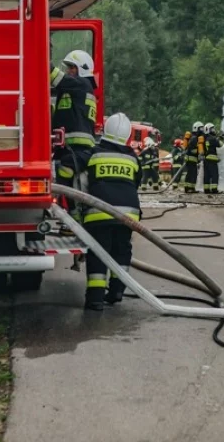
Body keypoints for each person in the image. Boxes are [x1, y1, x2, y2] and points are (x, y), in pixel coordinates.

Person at [82, 113, 141, 311]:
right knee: (121, 251)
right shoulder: (132, 158)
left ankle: (95, 299)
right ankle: (116, 292)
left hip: (98, 213)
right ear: (127, 135)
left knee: (99, 253)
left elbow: (75, 172)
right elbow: (136, 183)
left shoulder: (94, 153)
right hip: (128, 215)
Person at [50, 50, 98, 220]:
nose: (69, 71)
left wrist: (41, 58)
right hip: (69, 147)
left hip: (79, 148)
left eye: (72, 67)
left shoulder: (82, 84)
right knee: (61, 174)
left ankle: (73, 218)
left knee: (65, 173)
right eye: (68, 68)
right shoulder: (73, 89)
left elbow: (56, 76)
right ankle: (71, 217)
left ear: (83, 69)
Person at [182, 122, 206, 193]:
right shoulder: (194, 138)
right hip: (191, 159)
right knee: (192, 174)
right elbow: (192, 150)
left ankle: (188, 188)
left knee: (190, 174)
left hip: (191, 159)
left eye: (202, 128)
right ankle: (190, 188)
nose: (202, 130)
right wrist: (200, 153)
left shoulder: (194, 137)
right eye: (200, 128)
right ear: (196, 129)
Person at [202, 123, 224, 194]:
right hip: (212, 160)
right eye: (212, 129)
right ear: (208, 130)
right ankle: (214, 189)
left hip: (206, 160)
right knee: (214, 174)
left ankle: (206, 189)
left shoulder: (205, 139)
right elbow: (220, 144)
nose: (214, 130)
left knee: (207, 175)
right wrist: (221, 137)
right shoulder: (212, 138)